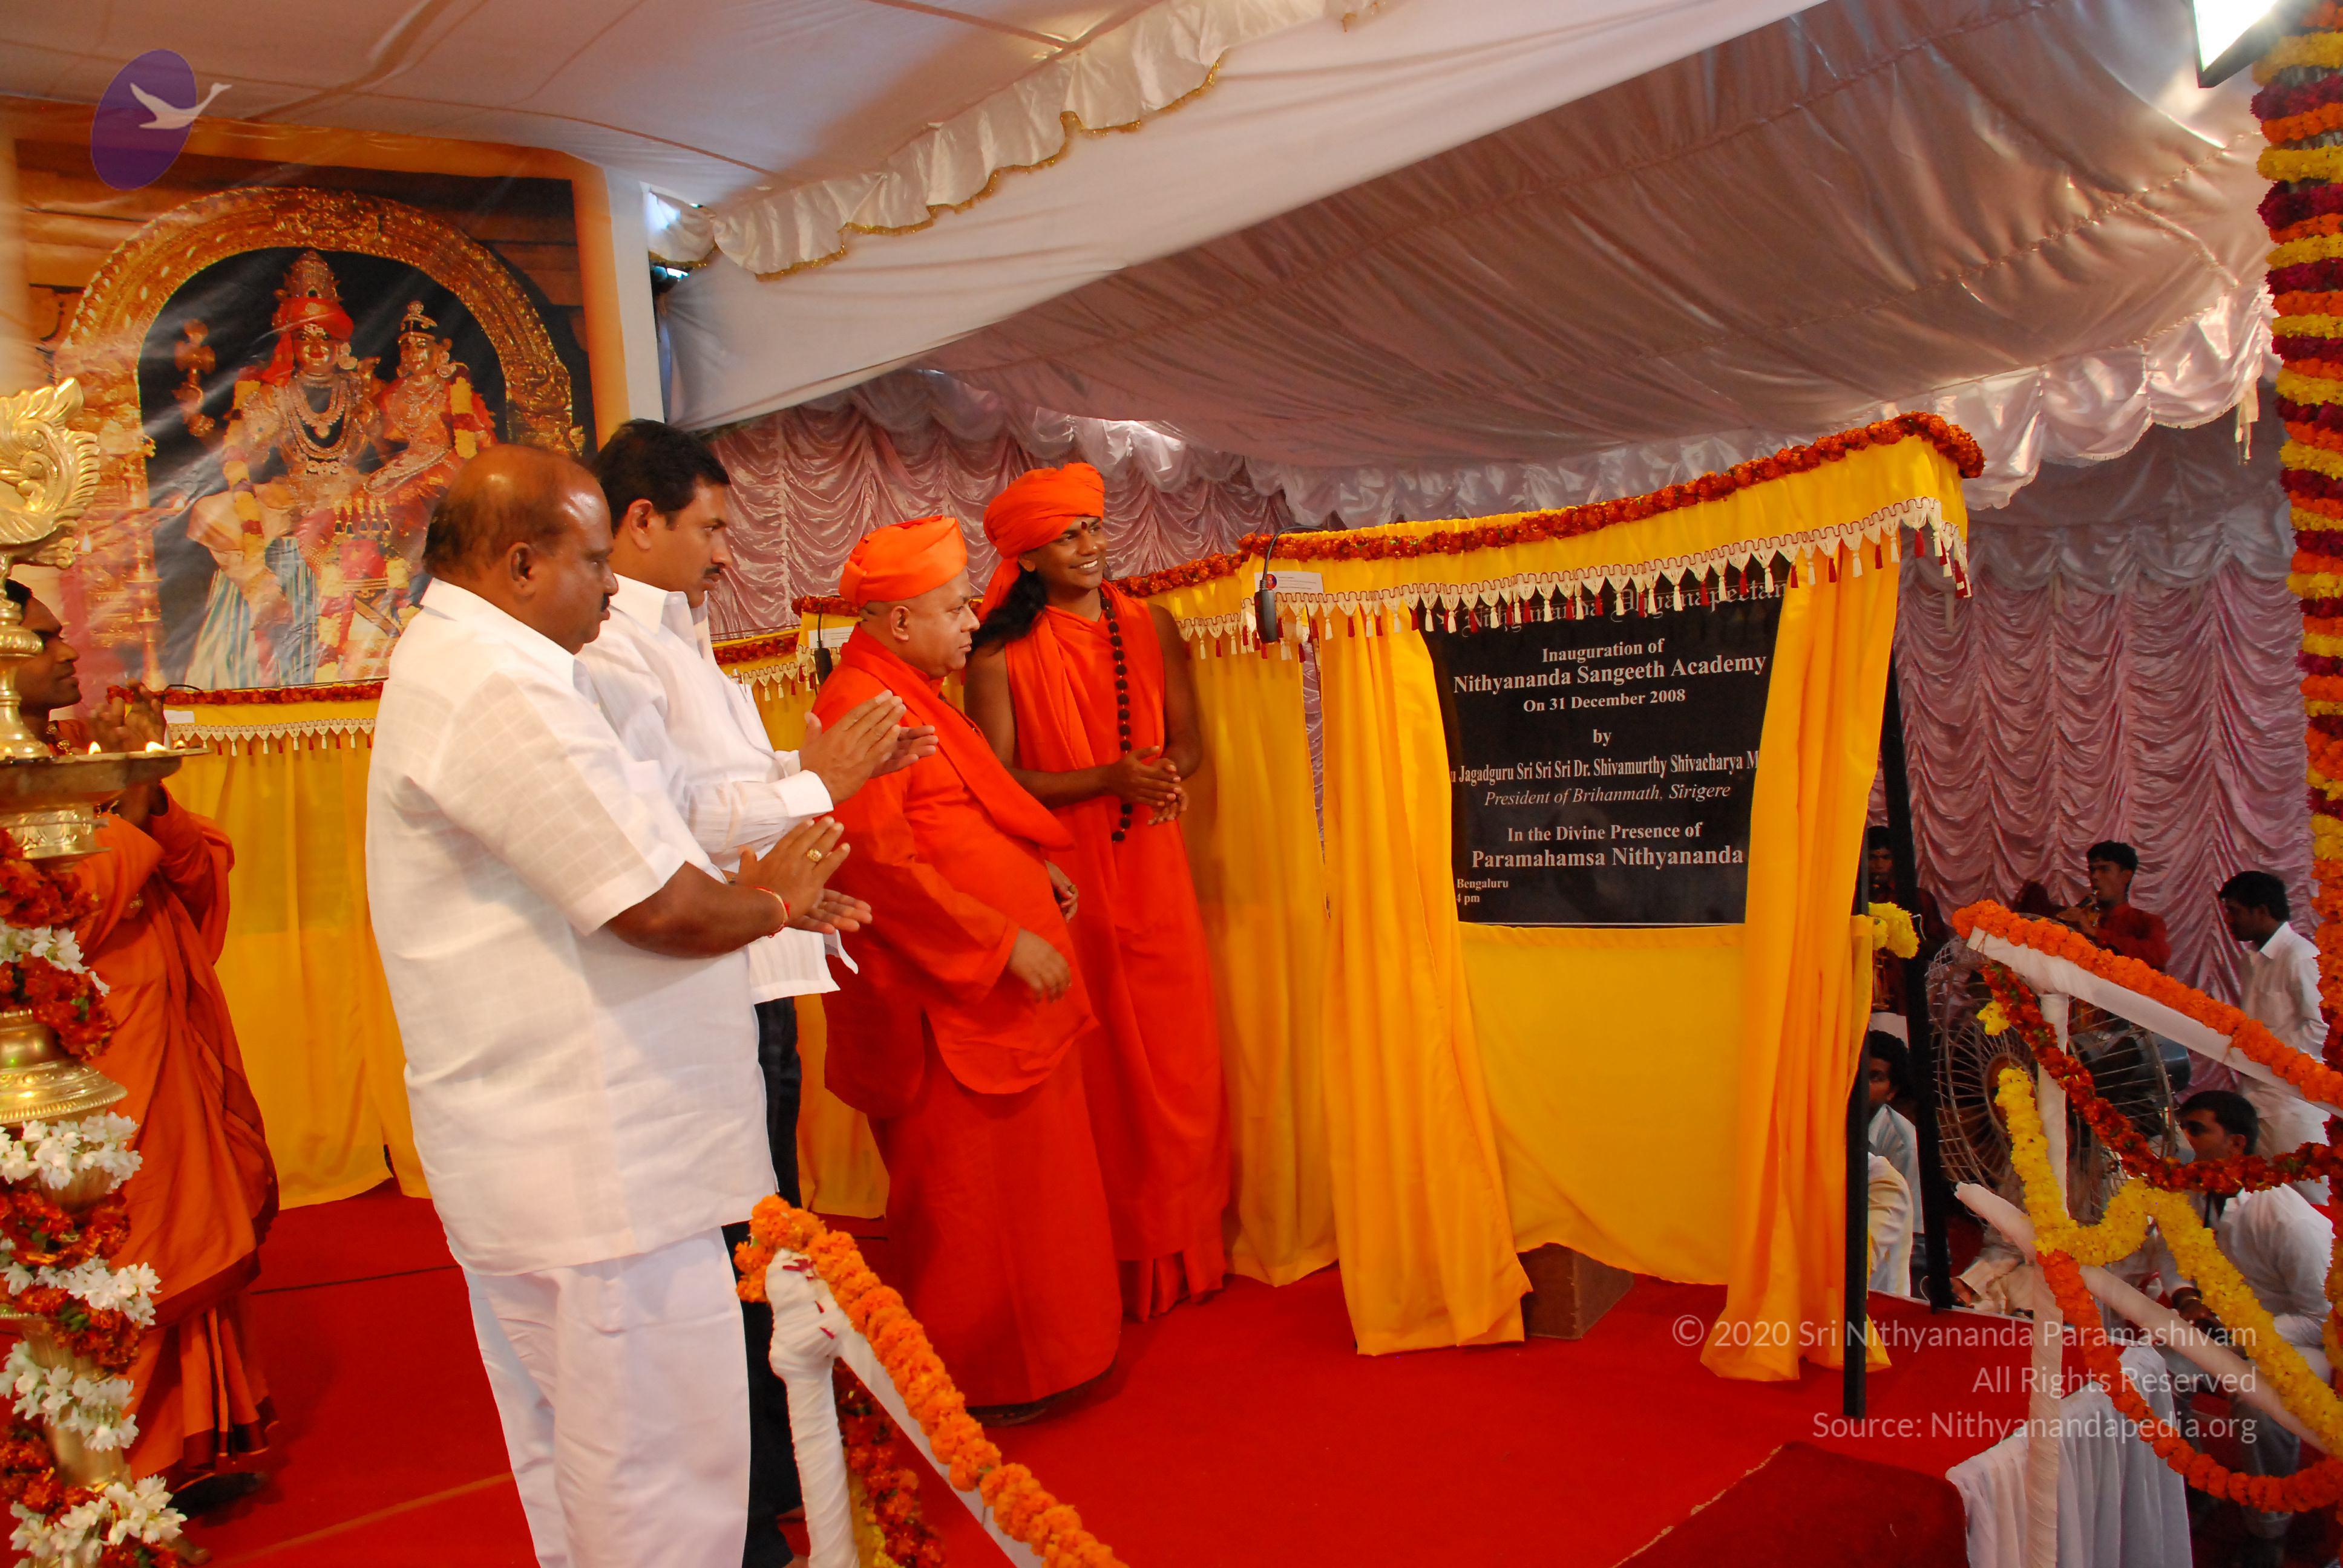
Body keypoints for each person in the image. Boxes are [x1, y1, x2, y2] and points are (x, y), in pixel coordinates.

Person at [365, 445, 849, 1568]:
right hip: (603, 1175)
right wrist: (775, 899)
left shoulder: (500, 662)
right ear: (522, 565)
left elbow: (655, 835)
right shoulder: (494, 683)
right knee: (657, 1491)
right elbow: (655, 906)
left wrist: (759, 889)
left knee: (596, 1484)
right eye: (594, 561)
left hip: (583, 1165)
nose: (612, 584)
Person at [577, 419, 931, 1567]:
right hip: (700, 981)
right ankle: (746, 1476)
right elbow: (667, 820)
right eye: (712, 528)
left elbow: (723, 791)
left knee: (767, 1224)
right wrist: (811, 785)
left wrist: (805, 812)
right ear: (641, 522)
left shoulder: (678, 633)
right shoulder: (610, 650)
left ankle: (778, 1455)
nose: (729, 554)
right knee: (736, 1243)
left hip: (754, 958)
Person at [811, 514, 1120, 1419]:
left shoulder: (914, 687)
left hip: (995, 1009)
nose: (972, 623)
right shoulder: (864, 707)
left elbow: (959, 813)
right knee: (978, 1209)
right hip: (946, 1011)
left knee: (1038, 1193)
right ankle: (990, 1379)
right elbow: (878, 868)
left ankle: (1060, 1353)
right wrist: (1003, 943)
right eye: (954, 610)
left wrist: (1032, 867)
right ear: (901, 622)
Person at [8, 587, 278, 1512]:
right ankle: (114, 1464)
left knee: (182, 1229)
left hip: (161, 1036)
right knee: (126, 1248)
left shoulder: (70, 762)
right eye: (42, 639)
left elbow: (193, 875)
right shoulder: (13, 784)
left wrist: (147, 794)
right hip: (85, 1066)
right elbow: (45, 927)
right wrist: (126, 812)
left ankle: (196, 1444)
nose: (66, 652)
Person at [963, 462, 1230, 1319]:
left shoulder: (1152, 624)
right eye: (1066, 535)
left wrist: (1162, 776)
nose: (1089, 545)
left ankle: (1187, 1247)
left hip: (1151, 865)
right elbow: (998, 782)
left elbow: (1188, 742)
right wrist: (1108, 779)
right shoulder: (996, 655)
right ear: (1026, 557)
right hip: (1064, 879)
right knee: (1103, 1068)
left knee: (1178, 1059)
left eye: (1094, 527)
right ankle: (1107, 1260)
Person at [2149, 1092, 2330, 1568]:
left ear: (2236, 1144)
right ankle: (2193, 1481)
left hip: (2298, 1339)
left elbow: (2321, 1320)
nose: (2182, 1137)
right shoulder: (2191, 1191)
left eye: (2196, 1129)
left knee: (2256, 1400)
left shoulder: (2289, 1219)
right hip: (2221, 1328)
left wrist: (2243, 1339)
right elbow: (2172, 1252)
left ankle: (2269, 1529)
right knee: (2153, 1370)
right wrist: (2186, 1299)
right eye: (2182, 1125)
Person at [2218, 870, 2328, 1204]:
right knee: (2267, 1200)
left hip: (2292, 1103)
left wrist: (2272, 1060)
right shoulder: (2251, 959)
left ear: (2262, 911)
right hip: (2256, 1096)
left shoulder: (2300, 956)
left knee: (2309, 1199)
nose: (2229, 921)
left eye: (2235, 911)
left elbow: (2322, 1028)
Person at [2054, 840, 2171, 970]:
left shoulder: (2147, 922)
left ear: (2126, 876)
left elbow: (2159, 956)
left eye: (2104, 869)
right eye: (2092, 870)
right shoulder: (2081, 918)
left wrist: (2096, 933)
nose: (2095, 876)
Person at [1864, 1033, 1923, 1254]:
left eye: (1875, 1078)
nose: (1861, 1085)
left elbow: (1911, 1231)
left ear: (1892, 1092)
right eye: (1857, 1073)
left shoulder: (1904, 1145)